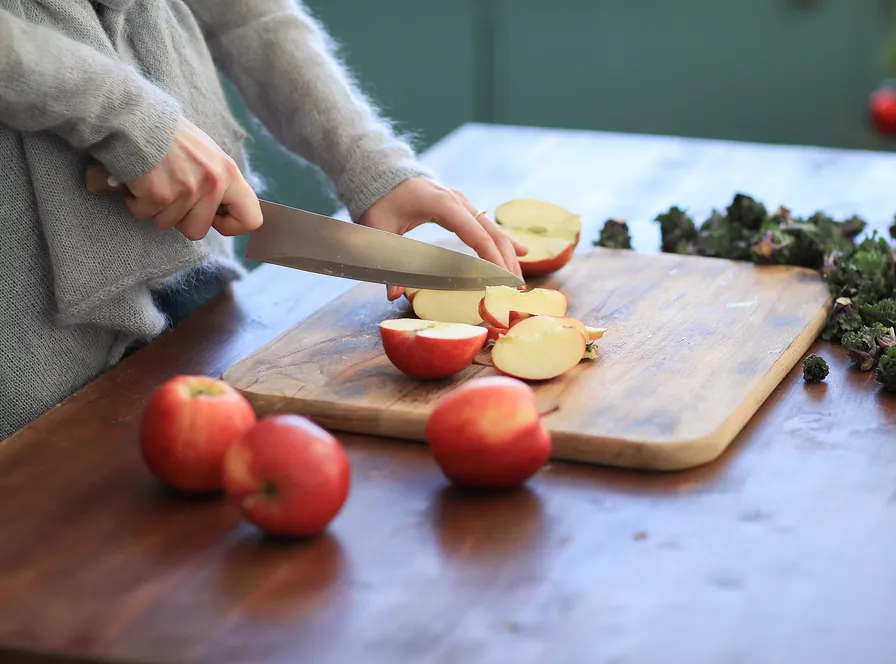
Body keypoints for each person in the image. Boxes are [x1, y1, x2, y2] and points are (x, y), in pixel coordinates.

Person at [0, 0, 526, 439]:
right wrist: (129, 117)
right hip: (30, 316)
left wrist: (371, 163)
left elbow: (245, 12)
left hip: (195, 260)